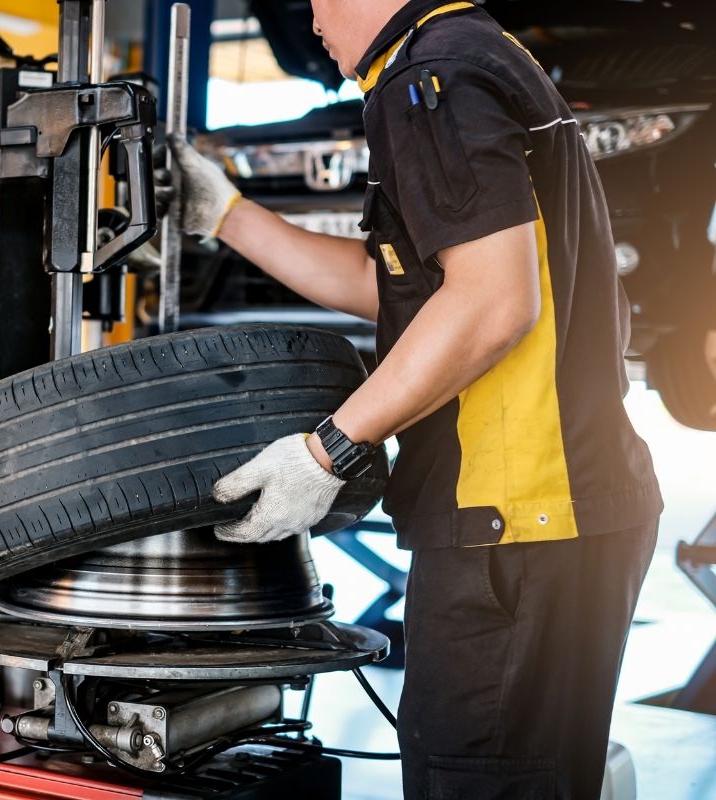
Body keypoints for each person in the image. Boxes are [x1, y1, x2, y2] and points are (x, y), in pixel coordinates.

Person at [165, 1, 664, 797]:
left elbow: (491, 305)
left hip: (514, 523)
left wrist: (326, 449)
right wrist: (228, 215)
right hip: (555, 516)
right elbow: (404, 290)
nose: (308, 22)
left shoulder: (430, 76)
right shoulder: (480, 52)